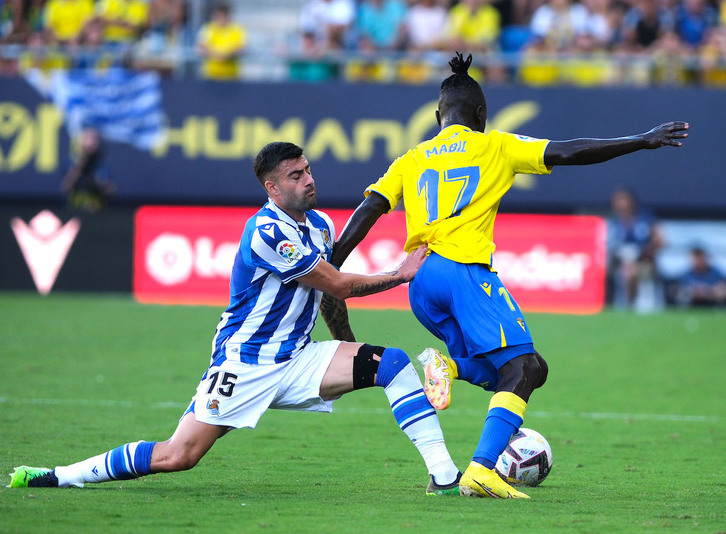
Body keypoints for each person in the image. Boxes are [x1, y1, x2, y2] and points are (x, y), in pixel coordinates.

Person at [321, 52, 689, 499]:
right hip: (463, 273)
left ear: (438, 117)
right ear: (481, 115)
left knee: (522, 372)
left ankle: (448, 367)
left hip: (420, 283)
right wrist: (642, 140)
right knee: (526, 366)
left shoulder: (411, 159)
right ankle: (481, 470)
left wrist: (334, 261)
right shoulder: (495, 144)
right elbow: (572, 151)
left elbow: (370, 208)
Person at [8, 141, 463, 497]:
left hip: (299, 358)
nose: (308, 179)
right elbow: (339, 284)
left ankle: (444, 476)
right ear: (272, 187)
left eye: (307, 170)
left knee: (395, 365)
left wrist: (347, 344)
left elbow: (329, 297)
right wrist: (399, 275)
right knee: (178, 455)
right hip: (244, 364)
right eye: (295, 175)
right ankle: (60, 475)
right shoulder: (267, 232)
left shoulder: (321, 225)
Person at [607, 186, 664, 310]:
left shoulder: (645, 218)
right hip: (619, 262)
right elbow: (608, 245)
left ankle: (630, 305)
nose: (620, 203)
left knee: (630, 271)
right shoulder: (614, 222)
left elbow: (661, 241)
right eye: (617, 200)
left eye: (623, 199)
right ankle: (606, 304)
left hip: (643, 262)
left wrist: (646, 250)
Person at [196, 3, 246, 80]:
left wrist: (225, 55)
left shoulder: (236, 30)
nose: (221, 19)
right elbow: (200, 48)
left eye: (224, 16)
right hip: (211, 75)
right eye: (219, 16)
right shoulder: (208, 29)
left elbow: (242, 49)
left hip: (231, 76)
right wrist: (218, 55)